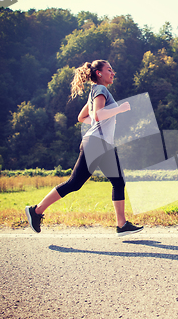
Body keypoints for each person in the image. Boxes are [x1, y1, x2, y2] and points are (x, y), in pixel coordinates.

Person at [25, 60, 143, 237]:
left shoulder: (95, 91)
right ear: (99, 73)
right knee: (74, 183)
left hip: (103, 144)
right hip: (96, 143)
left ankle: (122, 224)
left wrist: (99, 122)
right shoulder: (101, 90)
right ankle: (36, 211)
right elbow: (98, 114)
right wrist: (119, 109)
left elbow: (82, 117)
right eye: (109, 70)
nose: (113, 73)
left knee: (118, 182)